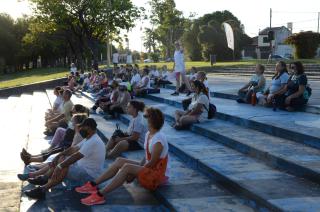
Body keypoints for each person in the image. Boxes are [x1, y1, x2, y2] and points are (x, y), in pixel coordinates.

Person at [75, 107, 168, 206]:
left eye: (145, 116)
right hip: (150, 169)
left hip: (157, 175)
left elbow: (153, 162)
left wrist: (134, 173)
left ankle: (100, 195)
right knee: (119, 160)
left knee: (127, 167)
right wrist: (137, 170)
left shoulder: (159, 139)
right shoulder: (149, 134)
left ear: (152, 120)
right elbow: (146, 157)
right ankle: (93, 184)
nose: (142, 118)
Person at [22, 118, 106, 199]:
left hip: (89, 175)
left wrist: (60, 166)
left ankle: (43, 188)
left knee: (64, 166)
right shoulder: (89, 138)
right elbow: (73, 149)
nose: (81, 129)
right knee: (62, 158)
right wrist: (59, 156)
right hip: (82, 168)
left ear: (89, 128)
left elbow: (76, 156)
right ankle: (44, 180)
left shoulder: (93, 141)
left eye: (83, 127)